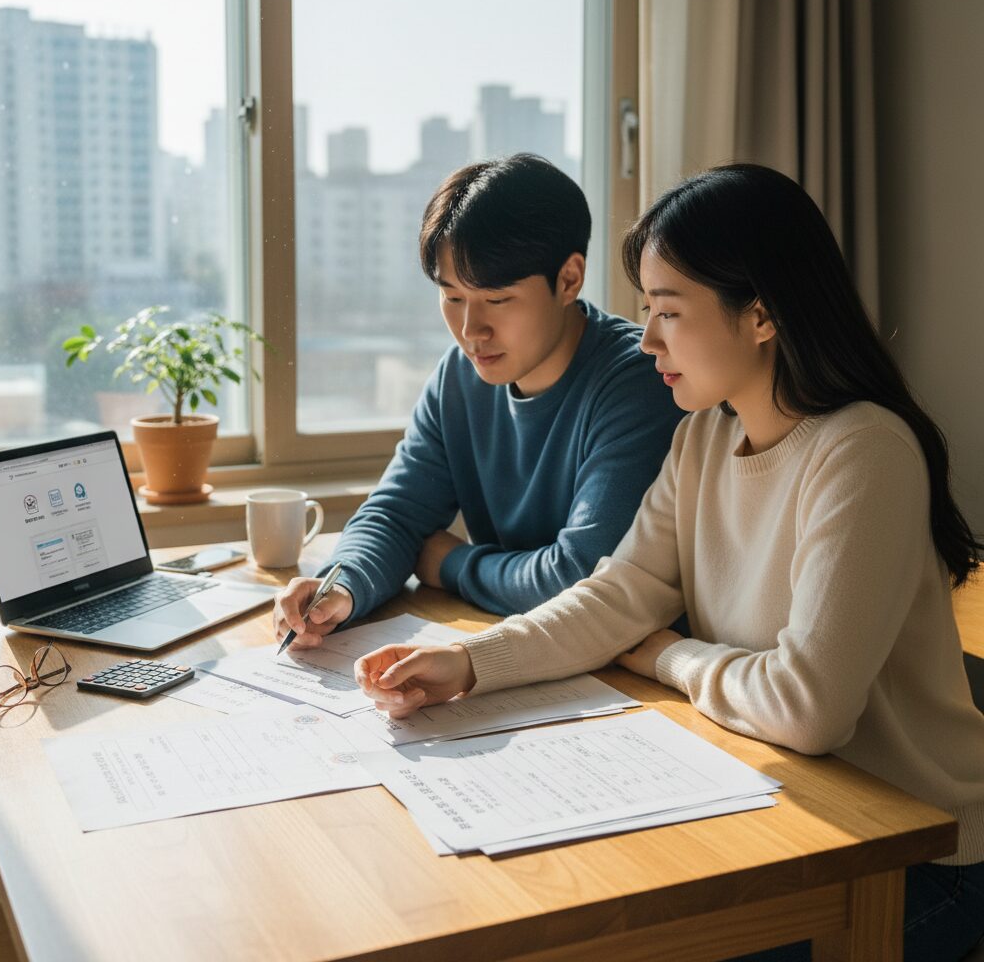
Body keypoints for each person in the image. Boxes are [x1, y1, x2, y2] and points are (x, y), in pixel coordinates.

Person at [355, 164, 984, 962]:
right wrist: (467, 662)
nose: (647, 337)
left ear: (761, 315)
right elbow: (618, 594)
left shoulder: (862, 452)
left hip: (916, 857)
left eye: (669, 312)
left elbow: (808, 707)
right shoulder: (705, 437)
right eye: (647, 309)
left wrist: (667, 655)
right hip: (797, 811)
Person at [273, 153, 684, 646]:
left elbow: (582, 578)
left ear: (569, 279)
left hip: (628, 674)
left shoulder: (637, 381)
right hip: (514, 653)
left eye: (496, 300)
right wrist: (340, 585)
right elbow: (396, 514)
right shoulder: (459, 378)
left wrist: (450, 563)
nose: (471, 331)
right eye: (451, 297)